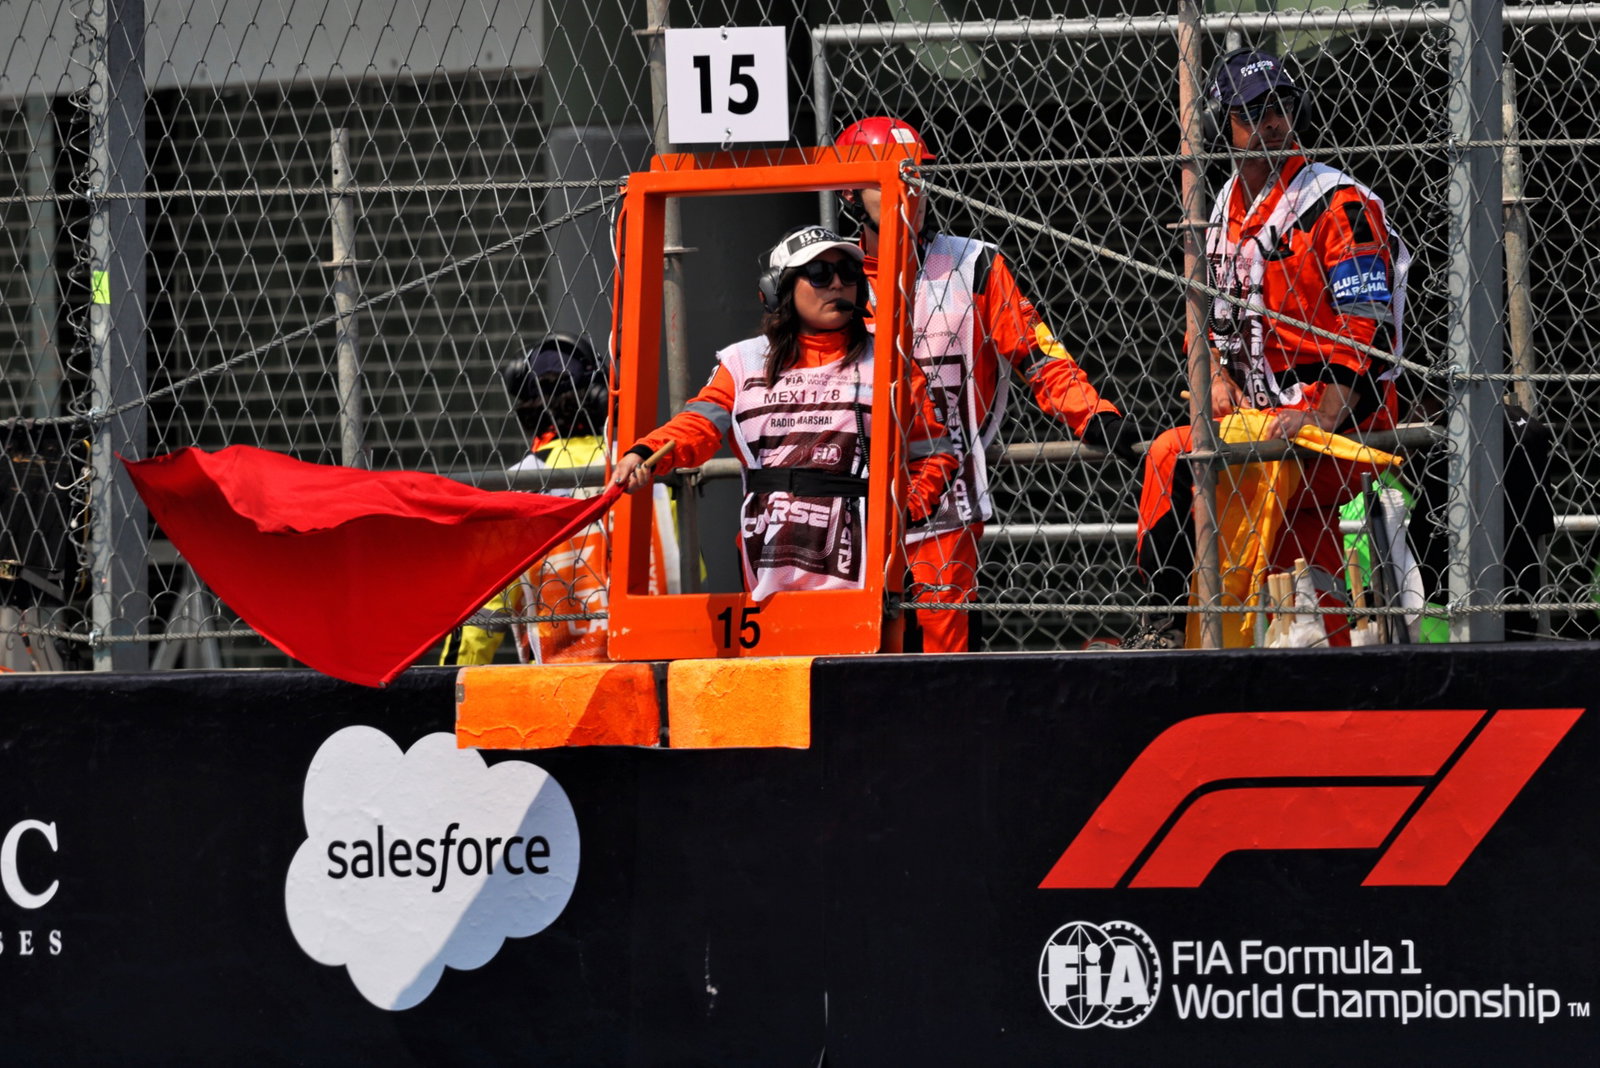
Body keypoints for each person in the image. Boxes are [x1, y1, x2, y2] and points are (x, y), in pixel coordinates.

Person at [1130, 49, 1408, 648]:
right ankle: (1174, 630)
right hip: (1261, 430)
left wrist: (1321, 412)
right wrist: (1217, 379)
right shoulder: (1213, 213)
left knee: (1171, 457)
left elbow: (1370, 328)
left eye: (1282, 106)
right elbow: (1198, 319)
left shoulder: (1340, 203)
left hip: (1336, 428)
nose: (1272, 122)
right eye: (1252, 111)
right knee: (1305, 602)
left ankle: (1171, 631)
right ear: (1221, 124)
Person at [833, 116, 1137, 652]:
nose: (913, 190)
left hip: (944, 498)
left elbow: (1036, 353)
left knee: (942, 652)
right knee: (852, 648)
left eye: (919, 176)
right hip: (848, 495)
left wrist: (1090, 414)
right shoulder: (827, 276)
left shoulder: (973, 264)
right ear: (851, 196)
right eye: (895, 178)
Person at [614, 225, 957, 602]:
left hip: (864, 581)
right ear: (778, 290)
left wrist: (899, 518)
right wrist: (646, 452)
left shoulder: (891, 362)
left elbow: (934, 452)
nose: (837, 285)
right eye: (819, 274)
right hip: (766, 573)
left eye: (848, 274)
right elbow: (699, 423)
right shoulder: (743, 361)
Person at [442, 333, 678, 664]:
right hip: (651, 672)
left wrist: (448, 690)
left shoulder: (518, 485)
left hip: (559, 687)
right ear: (601, 397)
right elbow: (685, 573)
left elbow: (482, 615)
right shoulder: (648, 475)